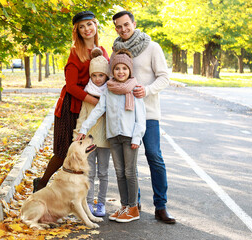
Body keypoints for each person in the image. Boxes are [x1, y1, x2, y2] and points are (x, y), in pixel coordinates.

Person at [33, 11, 109, 192]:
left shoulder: (103, 51)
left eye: (89, 24)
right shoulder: (76, 52)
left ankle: (74, 193)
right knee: (65, 150)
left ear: (95, 25)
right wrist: (94, 101)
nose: (87, 29)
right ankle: (42, 183)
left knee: (84, 151)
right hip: (72, 105)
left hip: (92, 108)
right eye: (81, 27)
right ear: (77, 31)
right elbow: (71, 86)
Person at [111, 10, 176, 224]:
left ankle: (161, 206)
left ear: (133, 23)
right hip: (126, 116)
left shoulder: (152, 47)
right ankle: (133, 203)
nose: (123, 29)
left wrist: (146, 90)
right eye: (119, 26)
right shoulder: (116, 50)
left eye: (126, 24)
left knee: (154, 157)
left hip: (148, 113)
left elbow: (164, 77)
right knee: (130, 165)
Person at [77, 49, 146, 223]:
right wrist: (84, 129)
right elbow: (98, 111)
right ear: (112, 71)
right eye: (117, 68)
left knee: (130, 172)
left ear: (129, 70)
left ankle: (133, 207)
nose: (120, 72)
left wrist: (137, 137)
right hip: (114, 137)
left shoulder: (135, 90)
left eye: (124, 68)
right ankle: (124, 206)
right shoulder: (109, 90)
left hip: (130, 138)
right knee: (119, 172)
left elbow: (141, 118)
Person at [72, 47, 110, 217]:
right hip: (90, 140)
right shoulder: (88, 94)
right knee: (90, 173)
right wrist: (77, 135)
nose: (97, 79)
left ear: (107, 75)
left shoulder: (112, 93)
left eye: (101, 75)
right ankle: (88, 203)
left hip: (107, 140)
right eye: (94, 75)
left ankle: (101, 203)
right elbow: (82, 117)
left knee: (103, 172)